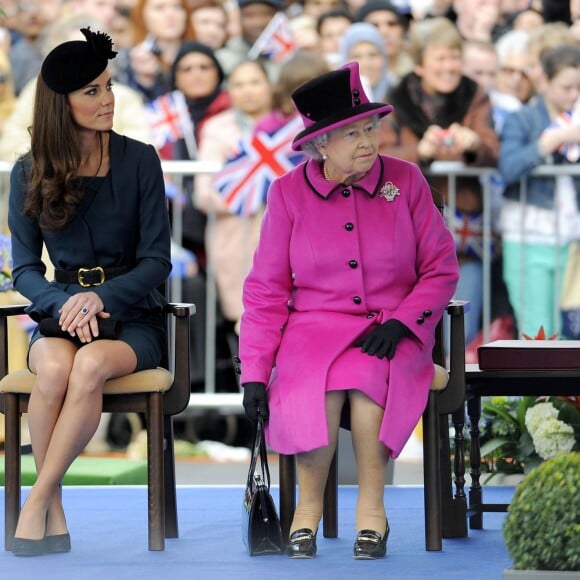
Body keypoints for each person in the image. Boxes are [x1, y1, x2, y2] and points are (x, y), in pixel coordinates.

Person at [239, 61, 459, 559]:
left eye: (370, 127)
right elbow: (266, 291)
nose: (367, 140)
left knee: (364, 385)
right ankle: (306, 514)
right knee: (318, 386)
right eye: (351, 133)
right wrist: (254, 370)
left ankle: (372, 513)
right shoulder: (288, 193)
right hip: (312, 332)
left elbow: (441, 269)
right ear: (320, 144)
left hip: (390, 327)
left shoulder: (405, 181)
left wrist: (405, 321)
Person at [7, 27, 172, 556]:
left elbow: (157, 262)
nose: (108, 100)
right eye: (92, 91)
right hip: (63, 313)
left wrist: (103, 298)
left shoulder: (141, 158)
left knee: (89, 365)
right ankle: (52, 508)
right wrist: (63, 304)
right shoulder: (28, 170)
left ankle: (38, 500)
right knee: (54, 366)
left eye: (109, 86)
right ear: (62, 103)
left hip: (132, 317)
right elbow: (25, 270)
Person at [380, 16, 499, 346]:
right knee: (414, 337)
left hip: (463, 239)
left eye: (455, 57)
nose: (450, 66)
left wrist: (473, 143)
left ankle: (457, 398)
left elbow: (494, 150)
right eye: (441, 58)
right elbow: (380, 156)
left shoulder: (473, 94)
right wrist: (420, 150)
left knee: (459, 333)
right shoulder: (395, 99)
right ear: (419, 64)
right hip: (406, 238)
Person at [498, 43, 580, 337]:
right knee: (539, 332)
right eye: (567, 87)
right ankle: (540, 386)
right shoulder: (523, 119)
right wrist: (550, 142)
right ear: (544, 81)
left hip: (572, 240)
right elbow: (507, 166)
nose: (574, 95)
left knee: (571, 332)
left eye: (579, 87)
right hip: (529, 236)